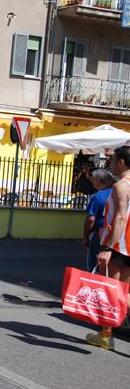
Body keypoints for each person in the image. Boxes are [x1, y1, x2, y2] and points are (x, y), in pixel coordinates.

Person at [85, 146, 130, 351]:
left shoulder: (121, 186)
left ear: (121, 162)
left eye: (112, 159)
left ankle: (106, 335)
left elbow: (120, 217)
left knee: (112, 291)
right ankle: (106, 334)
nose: (109, 163)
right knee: (123, 293)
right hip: (128, 245)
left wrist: (106, 247)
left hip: (118, 245)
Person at [82, 168, 117, 273]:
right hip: (119, 234)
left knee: (95, 265)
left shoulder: (100, 195)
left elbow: (91, 219)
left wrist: (86, 237)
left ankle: (96, 286)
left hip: (101, 233)